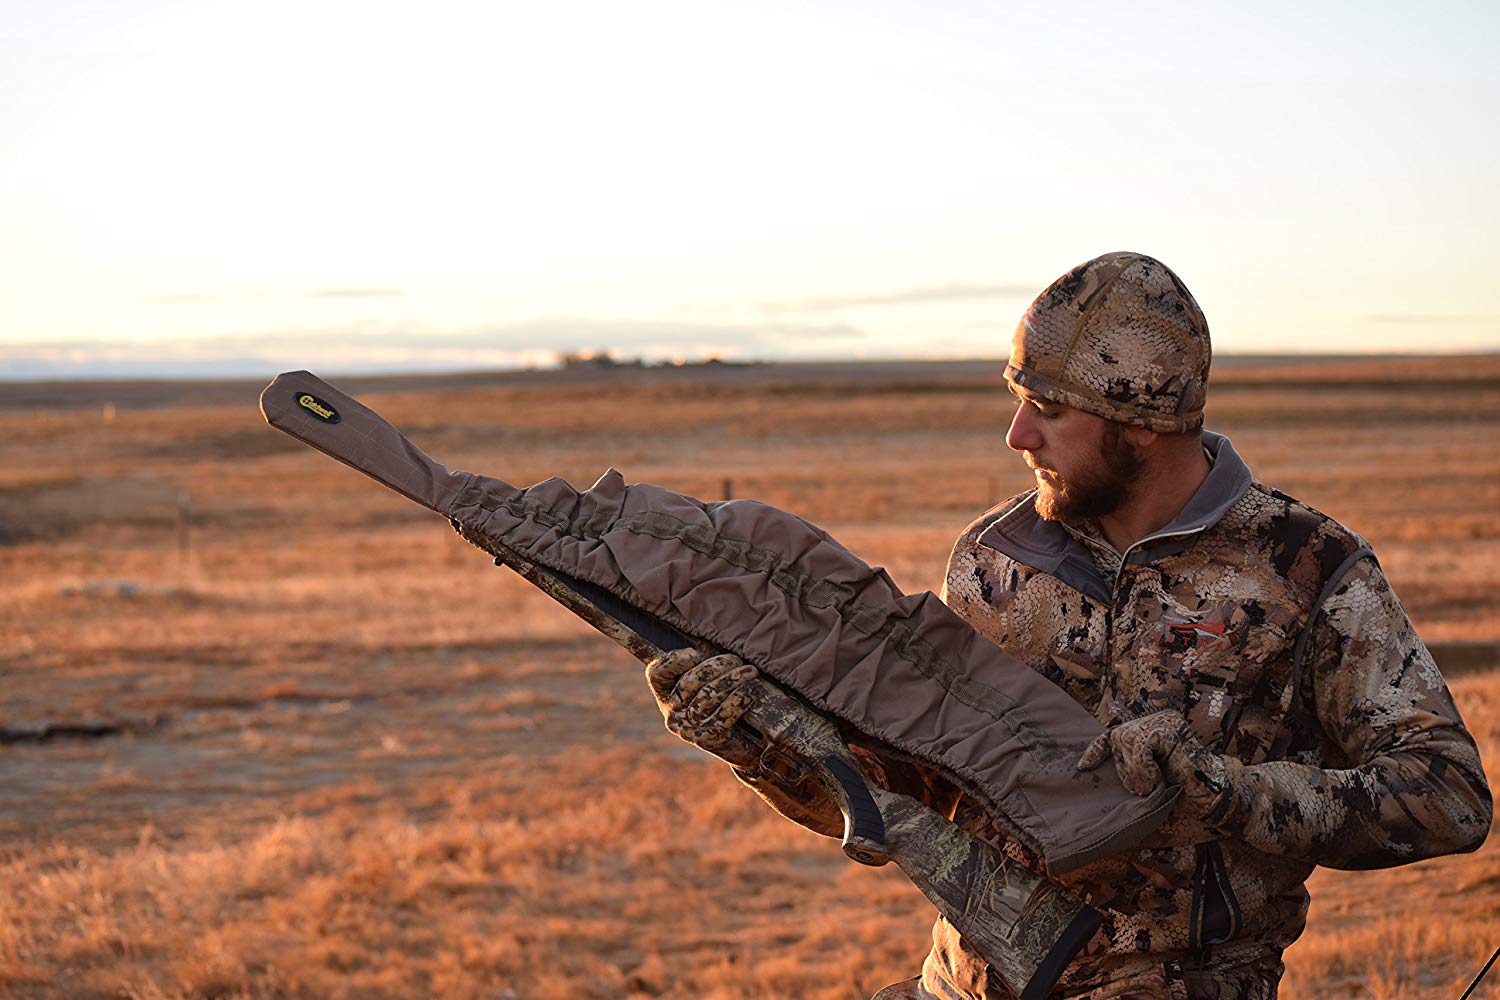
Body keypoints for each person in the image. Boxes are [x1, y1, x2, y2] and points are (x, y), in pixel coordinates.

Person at [644, 251, 1492, 999]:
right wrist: (762, 745)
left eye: (1049, 408)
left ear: (1144, 424)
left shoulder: (1307, 570)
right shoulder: (995, 560)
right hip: (964, 985)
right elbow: (910, 792)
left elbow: (1448, 799)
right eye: (1018, 398)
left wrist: (1219, 789)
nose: (1017, 434)